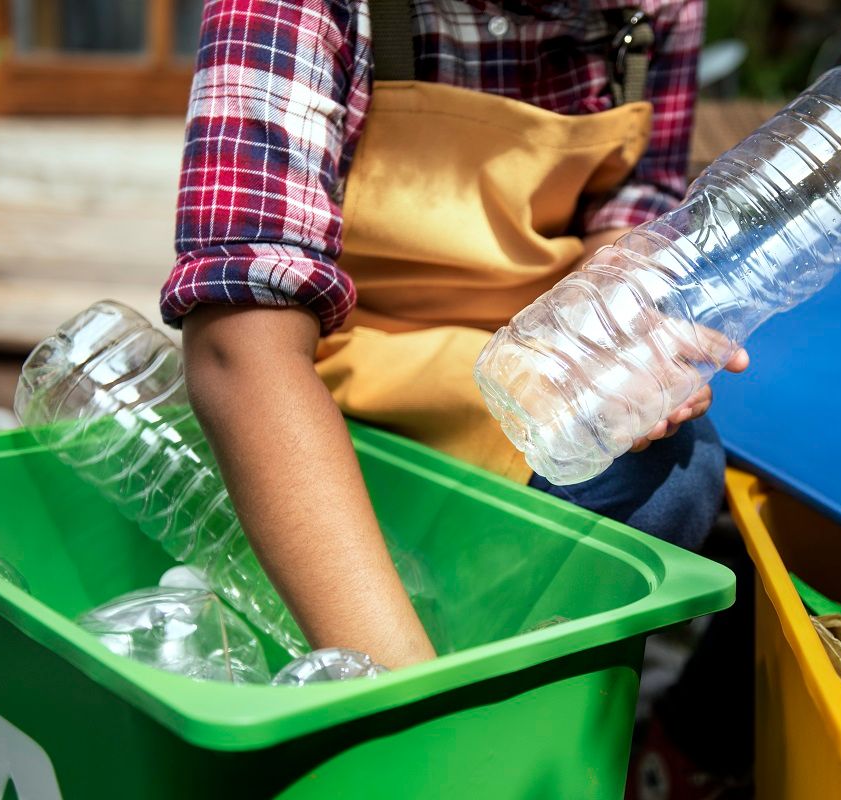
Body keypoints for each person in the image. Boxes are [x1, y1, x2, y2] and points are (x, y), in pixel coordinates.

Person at [162, 0, 747, 674]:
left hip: (526, 367)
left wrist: (619, 328)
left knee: (672, 473)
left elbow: (635, 198)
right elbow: (239, 343)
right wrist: (404, 693)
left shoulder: (654, 9)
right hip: (332, 373)